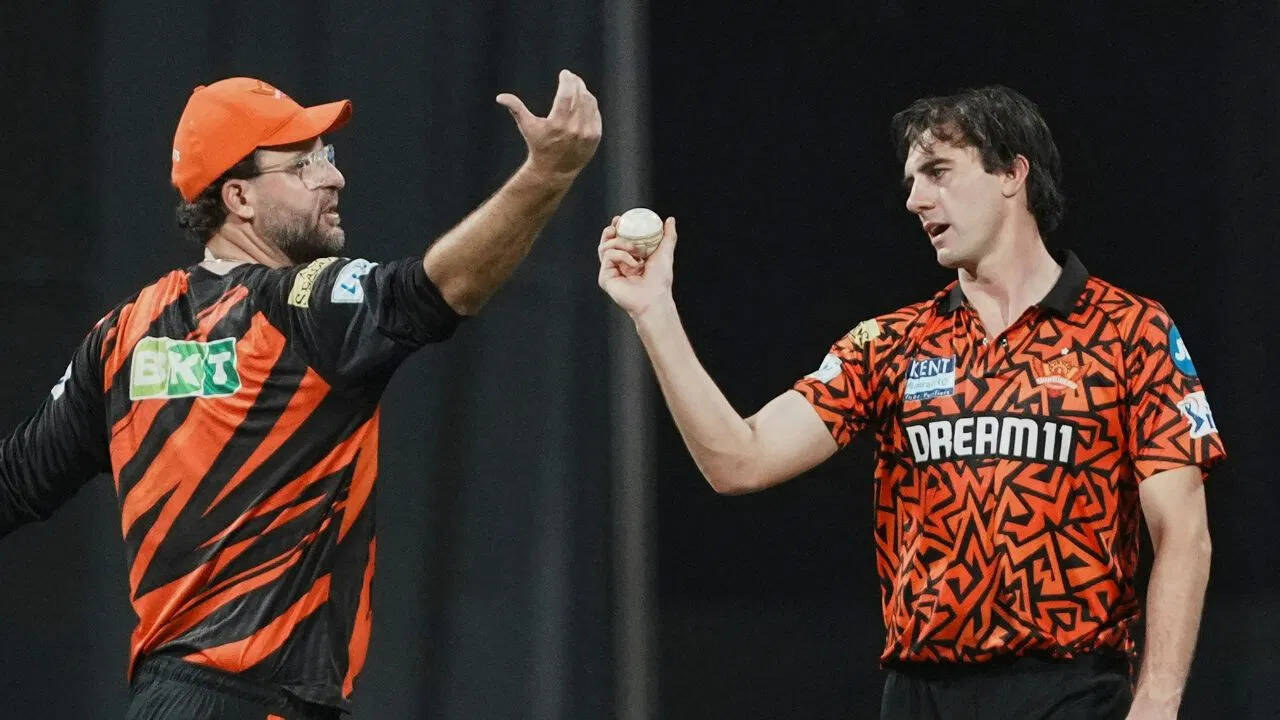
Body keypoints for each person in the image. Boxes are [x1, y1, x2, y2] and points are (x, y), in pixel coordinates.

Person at [596, 86, 1222, 719]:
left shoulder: (1130, 331)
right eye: (912, 181)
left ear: (1012, 174)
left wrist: (1157, 700)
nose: (915, 199)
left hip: (1069, 692)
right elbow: (739, 460)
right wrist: (654, 312)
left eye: (938, 172)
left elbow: (1183, 534)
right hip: (921, 697)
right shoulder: (891, 343)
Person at [0, 70, 599, 719]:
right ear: (238, 197)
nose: (333, 177)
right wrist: (546, 174)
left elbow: (14, 483)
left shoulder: (124, 335)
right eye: (303, 164)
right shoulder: (296, 308)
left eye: (327, 156)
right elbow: (440, 289)